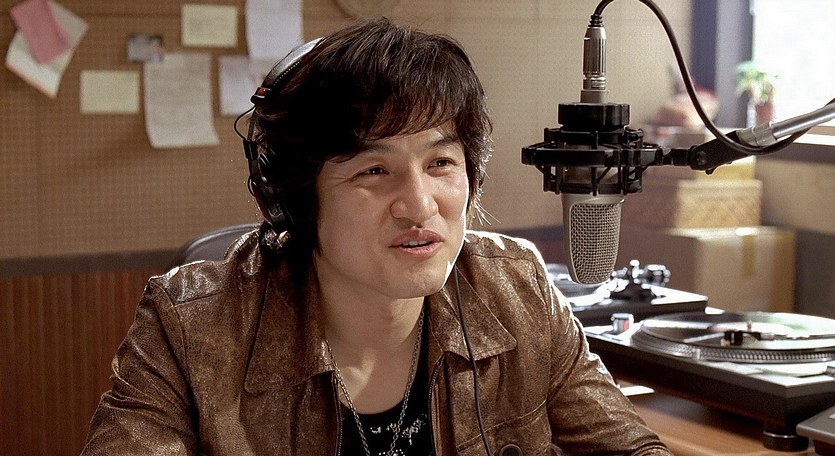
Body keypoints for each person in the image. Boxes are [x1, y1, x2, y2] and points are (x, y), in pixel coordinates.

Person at [82, 17, 671, 456]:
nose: (419, 205)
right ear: (297, 198)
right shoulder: (193, 327)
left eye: (441, 164)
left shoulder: (516, 290)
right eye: (372, 171)